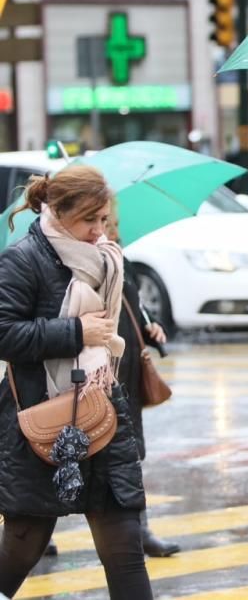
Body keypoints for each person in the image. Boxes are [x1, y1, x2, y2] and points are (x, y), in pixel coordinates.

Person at [0, 166, 153, 599]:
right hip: (42, 420)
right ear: (59, 211)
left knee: (125, 547)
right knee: (22, 545)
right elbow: (4, 333)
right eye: (90, 220)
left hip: (101, 412)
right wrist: (75, 333)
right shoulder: (23, 258)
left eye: (104, 220)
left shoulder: (106, 259)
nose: (98, 231)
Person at [106, 213, 180, 558]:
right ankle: (35, 531)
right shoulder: (73, 265)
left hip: (128, 374)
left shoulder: (120, 257)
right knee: (65, 458)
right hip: (94, 377)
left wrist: (151, 327)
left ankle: (141, 531)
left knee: (130, 456)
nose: (113, 229)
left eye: (114, 220)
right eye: (105, 219)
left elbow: (134, 306)